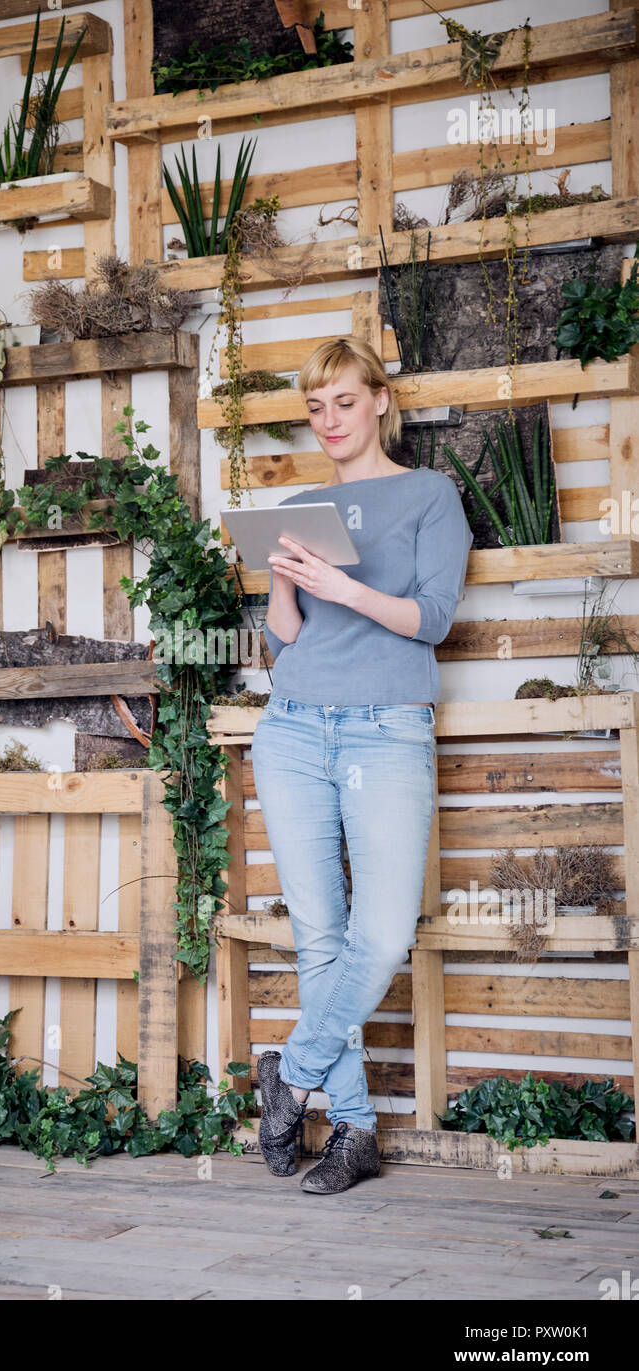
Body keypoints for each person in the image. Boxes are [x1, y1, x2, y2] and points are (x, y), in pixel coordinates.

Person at [251, 335, 473, 1194]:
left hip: (387, 729)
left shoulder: (429, 495)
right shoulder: (302, 504)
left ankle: (291, 1079)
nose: (330, 421)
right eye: (314, 408)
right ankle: (352, 1132)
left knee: (379, 937)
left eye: (344, 402)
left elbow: (433, 619)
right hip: (295, 726)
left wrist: (342, 587)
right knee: (319, 938)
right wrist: (280, 580)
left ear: (380, 400)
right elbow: (286, 640)